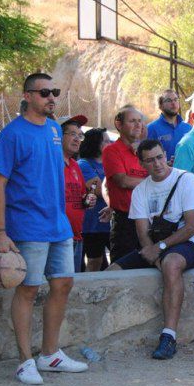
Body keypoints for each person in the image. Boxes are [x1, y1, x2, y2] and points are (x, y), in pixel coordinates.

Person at [0, 72, 88, 384]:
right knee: (29, 289)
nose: (51, 98)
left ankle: (50, 354)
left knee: (63, 285)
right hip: (27, 225)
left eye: (54, 92)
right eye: (45, 93)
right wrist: (1, 233)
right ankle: (24, 361)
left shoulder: (53, 131)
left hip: (57, 224)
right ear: (28, 95)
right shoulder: (12, 134)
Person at [107, 139, 194, 359]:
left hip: (186, 243)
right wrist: (153, 254)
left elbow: (191, 228)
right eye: (150, 161)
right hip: (155, 245)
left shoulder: (186, 180)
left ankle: (168, 336)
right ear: (142, 164)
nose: (157, 164)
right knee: (112, 271)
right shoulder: (141, 190)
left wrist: (159, 249)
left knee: (171, 264)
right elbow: (142, 232)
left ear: (165, 155)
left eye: (159, 157)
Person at [104, 107, 147, 262]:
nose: (137, 125)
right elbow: (123, 181)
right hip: (125, 221)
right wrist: (152, 183)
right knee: (121, 269)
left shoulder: (145, 151)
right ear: (119, 124)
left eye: (139, 121)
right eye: (132, 121)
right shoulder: (112, 150)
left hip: (148, 218)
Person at [59, 115, 96, 272]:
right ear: (59, 136)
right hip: (58, 239)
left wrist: (88, 199)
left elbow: (81, 197)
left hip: (76, 236)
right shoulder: (51, 163)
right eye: (72, 134)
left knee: (71, 287)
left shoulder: (74, 165)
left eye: (79, 135)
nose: (77, 139)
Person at [78, 128, 113, 271]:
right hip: (92, 224)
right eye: (106, 141)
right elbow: (99, 190)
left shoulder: (110, 163)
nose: (110, 143)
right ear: (95, 144)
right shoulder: (84, 164)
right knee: (95, 261)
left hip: (111, 224)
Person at [146, 89, 192, 160]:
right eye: (168, 101)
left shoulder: (188, 128)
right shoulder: (151, 129)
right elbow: (145, 158)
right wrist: (165, 165)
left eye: (176, 100)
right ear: (160, 106)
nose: (173, 103)